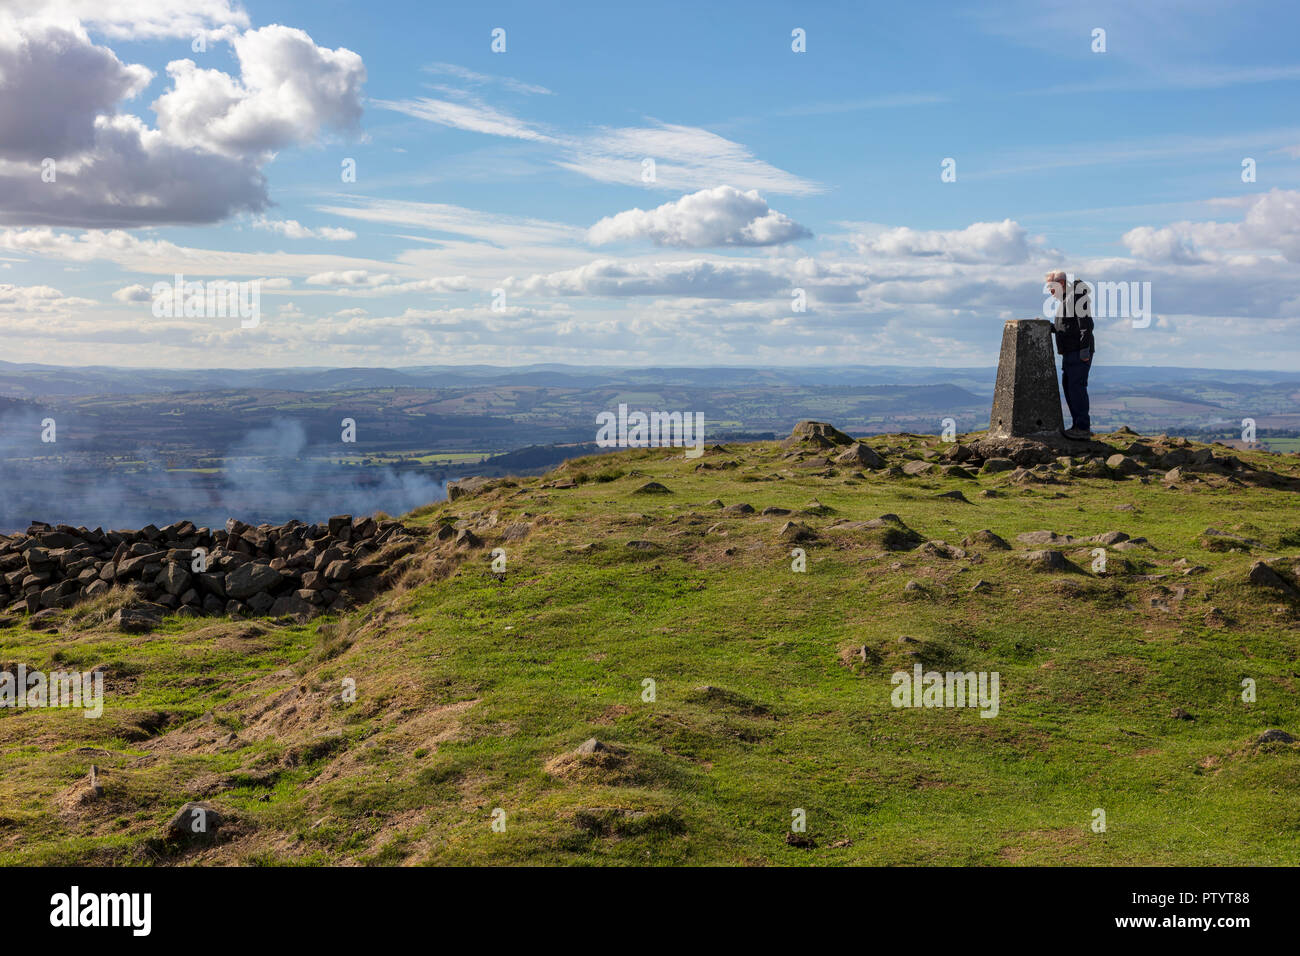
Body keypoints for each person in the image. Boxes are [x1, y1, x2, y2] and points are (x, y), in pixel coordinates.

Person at [1045, 270, 1094, 440]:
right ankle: (1077, 426)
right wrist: (1048, 327)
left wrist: (1084, 351)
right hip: (1070, 352)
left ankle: (1082, 428)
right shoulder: (1067, 299)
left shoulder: (1077, 297)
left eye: (1051, 286)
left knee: (1076, 389)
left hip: (1078, 353)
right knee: (1070, 389)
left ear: (1061, 284)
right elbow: (1066, 327)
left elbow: (1086, 325)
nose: (1050, 290)